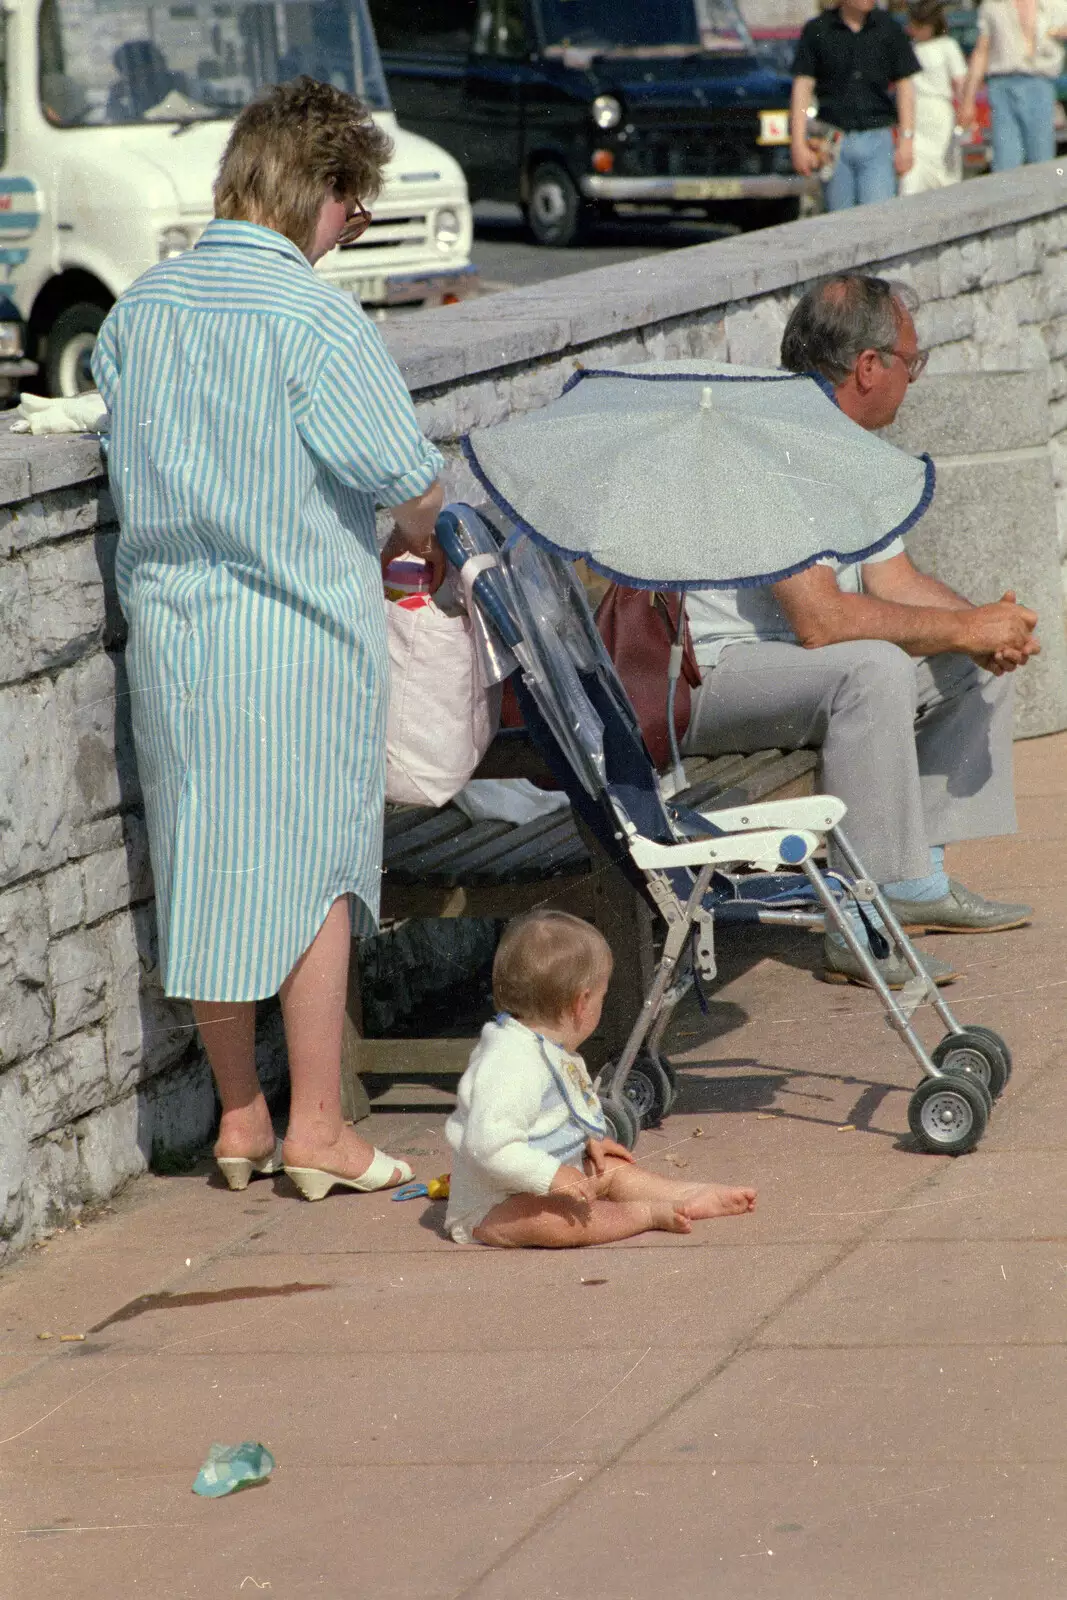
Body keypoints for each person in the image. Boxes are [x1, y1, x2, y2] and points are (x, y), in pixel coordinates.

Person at [92, 78, 446, 1200]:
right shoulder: (312, 318)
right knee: (313, 877)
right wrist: (419, 543)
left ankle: (240, 1114)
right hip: (293, 636)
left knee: (206, 868)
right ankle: (320, 1127)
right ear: (323, 192)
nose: (351, 232)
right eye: (355, 207)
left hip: (174, 640)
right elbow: (410, 480)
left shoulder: (136, 311)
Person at [682, 274, 1038, 989]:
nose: (914, 377)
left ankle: (915, 880)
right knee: (870, 667)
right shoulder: (769, 446)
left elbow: (895, 583)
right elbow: (819, 622)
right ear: (868, 367)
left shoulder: (838, 443)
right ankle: (861, 920)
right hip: (706, 679)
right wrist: (964, 625)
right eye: (913, 361)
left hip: (780, 665)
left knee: (960, 659)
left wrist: (985, 631)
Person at [444, 912, 757, 1248]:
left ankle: (687, 1194)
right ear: (582, 1002)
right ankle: (645, 1214)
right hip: (494, 1204)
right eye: (602, 997)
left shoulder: (552, 1047)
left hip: (559, 1178)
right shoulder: (510, 1062)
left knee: (613, 1171)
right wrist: (550, 1175)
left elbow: (565, 1104)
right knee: (560, 1222)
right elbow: (488, 1146)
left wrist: (588, 1137)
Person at [790, 0, 921, 210]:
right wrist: (798, 143)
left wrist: (907, 141)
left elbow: (905, 86)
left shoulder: (889, 28)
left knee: (877, 220)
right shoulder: (817, 30)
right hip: (833, 141)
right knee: (840, 225)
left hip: (877, 139)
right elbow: (802, 87)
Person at [959, 0, 1067, 172]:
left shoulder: (1055, 4)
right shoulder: (992, 6)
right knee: (1005, 162)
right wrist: (968, 100)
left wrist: (1058, 32)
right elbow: (981, 51)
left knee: (1042, 161)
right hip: (1002, 85)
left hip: (1040, 83)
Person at [899, 0, 969, 194]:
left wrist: (965, 107)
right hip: (916, 117)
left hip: (940, 115)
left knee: (946, 178)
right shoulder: (908, 49)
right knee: (910, 182)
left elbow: (960, 82)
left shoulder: (948, 46)